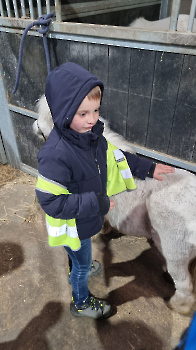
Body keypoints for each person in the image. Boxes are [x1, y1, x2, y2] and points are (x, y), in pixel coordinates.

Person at [35, 62, 174, 320]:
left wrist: (148, 168)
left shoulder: (91, 138)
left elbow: (117, 157)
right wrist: (96, 204)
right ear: (64, 112)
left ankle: (76, 267)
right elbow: (50, 200)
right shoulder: (55, 155)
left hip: (85, 220)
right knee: (82, 263)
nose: (93, 119)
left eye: (96, 110)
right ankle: (80, 301)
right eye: (83, 113)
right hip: (74, 224)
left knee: (78, 257)